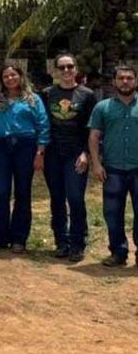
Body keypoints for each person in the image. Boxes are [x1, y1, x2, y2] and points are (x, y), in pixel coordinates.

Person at [0, 64, 49, 254]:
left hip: (26, 147)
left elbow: (43, 125)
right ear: (1, 79)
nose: (10, 79)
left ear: (21, 76)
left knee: (23, 192)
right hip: (0, 147)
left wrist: (40, 153)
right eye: (6, 76)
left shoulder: (33, 100)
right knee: (1, 192)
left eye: (13, 75)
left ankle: (19, 239)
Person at [41, 53, 96, 262]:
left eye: (70, 66)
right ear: (55, 70)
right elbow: (42, 123)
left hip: (76, 153)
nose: (66, 71)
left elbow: (92, 128)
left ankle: (77, 243)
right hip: (53, 154)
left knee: (75, 198)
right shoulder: (47, 94)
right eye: (61, 67)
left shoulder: (87, 95)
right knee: (56, 199)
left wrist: (86, 153)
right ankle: (61, 242)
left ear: (76, 68)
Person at [89, 65, 138, 267]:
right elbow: (94, 136)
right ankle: (118, 252)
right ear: (114, 82)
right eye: (121, 78)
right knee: (112, 213)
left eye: (129, 78)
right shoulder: (103, 107)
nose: (125, 81)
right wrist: (96, 164)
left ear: (135, 81)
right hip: (113, 169)